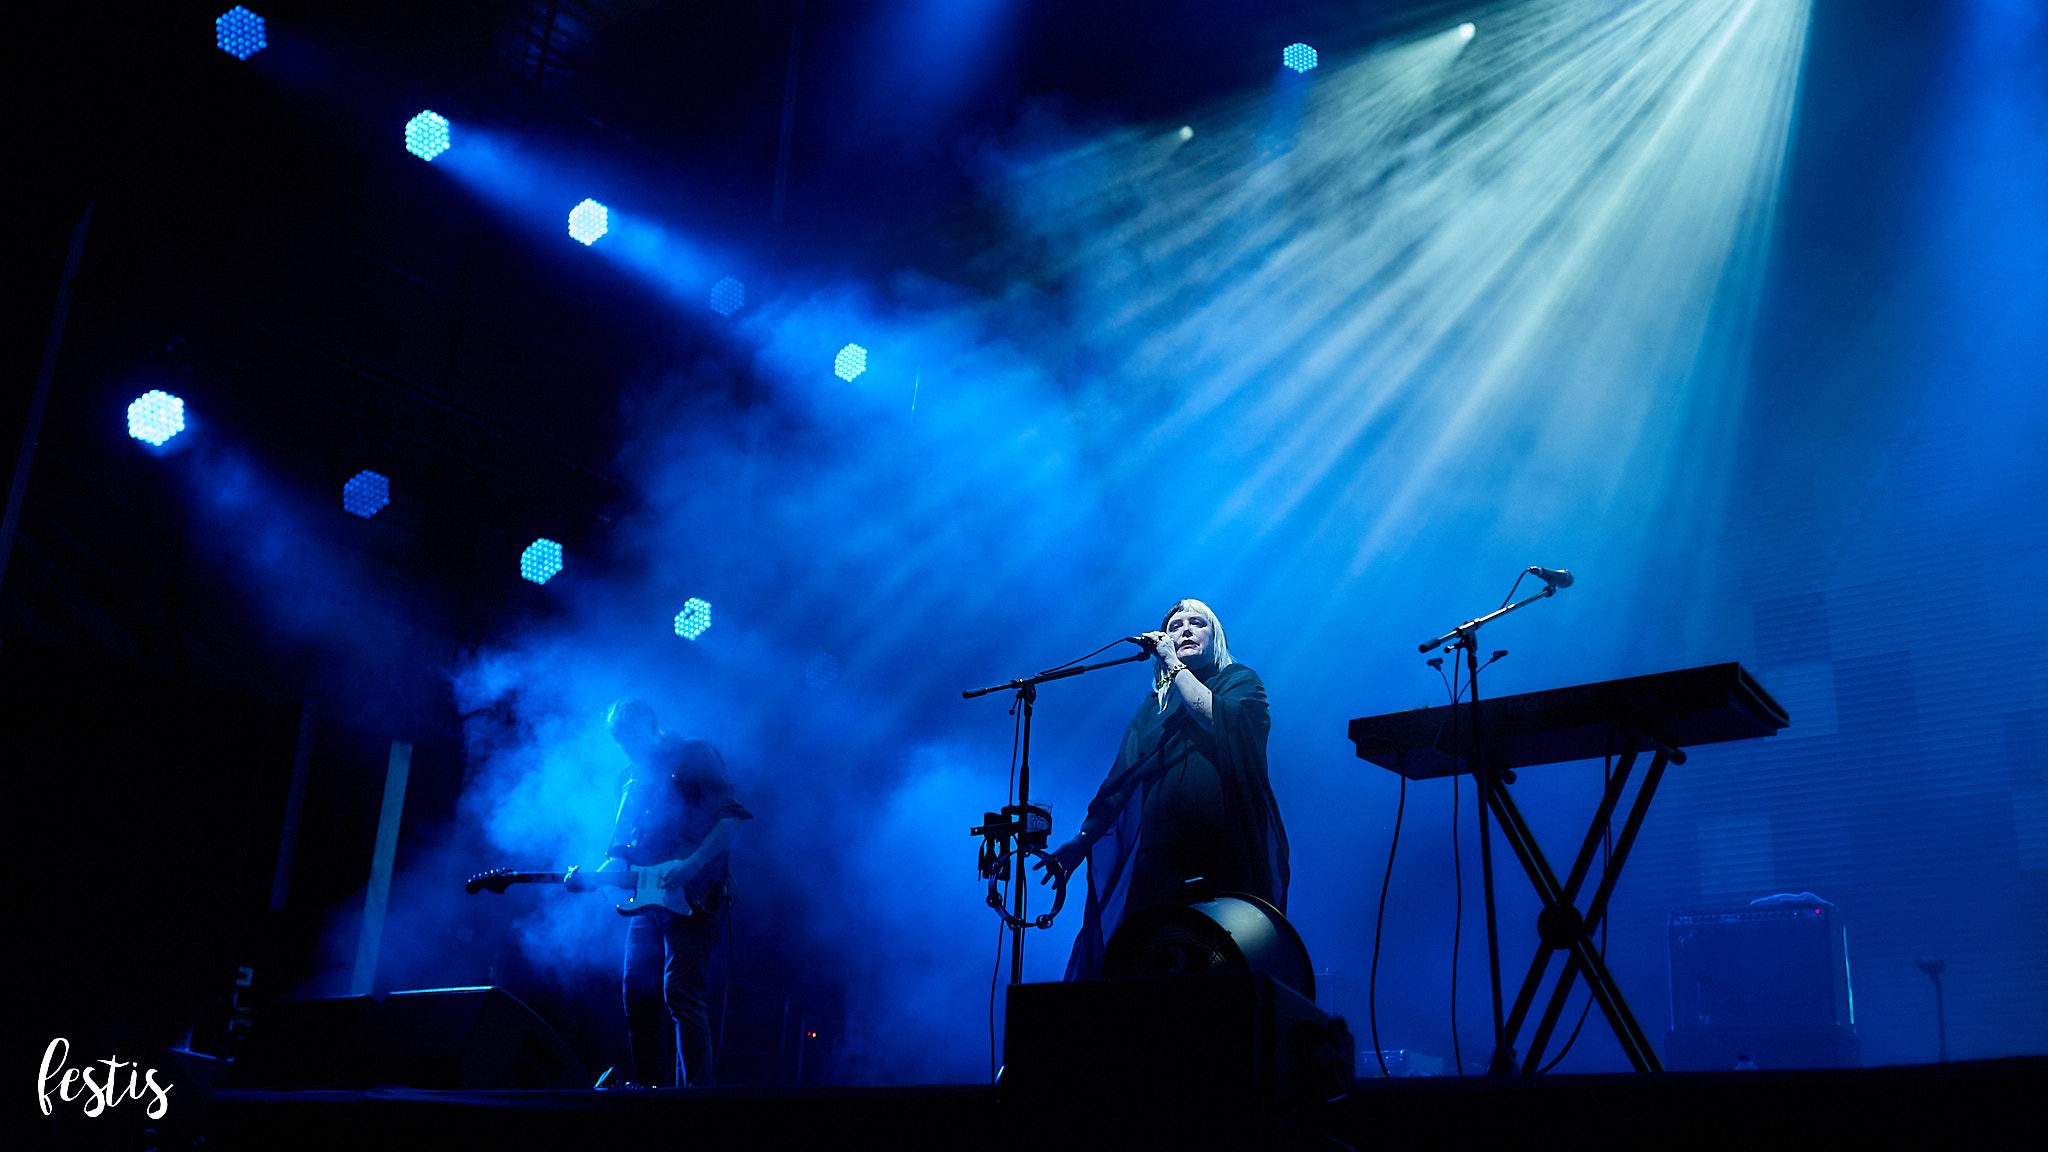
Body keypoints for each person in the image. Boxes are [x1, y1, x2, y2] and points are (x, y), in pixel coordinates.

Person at [1040, 599, 1289, 980]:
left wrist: (1174, 665)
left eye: (1196, 623)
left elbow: (1216, 719)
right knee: (1152, 959)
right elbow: (1119, 781)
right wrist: (1080, 842)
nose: (1185, 630)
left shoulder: (1241, 681)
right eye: (1175, 626)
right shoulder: (1155, 708)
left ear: (1215, 636)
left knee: (1217, 962)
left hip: (1221, 849)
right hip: (1159, 858)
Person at [569, 697, 750, 1087]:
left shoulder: (695, 755)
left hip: (696, 894)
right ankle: (652, 1093)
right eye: (618, 740)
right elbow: (620, 853)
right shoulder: (629, 778)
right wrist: (592, 877)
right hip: (647, 899)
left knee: (681, 992)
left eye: (629, 737)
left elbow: (730, 819)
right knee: (636, 991)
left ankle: (693, 1097)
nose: (625, 747)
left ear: (651, 724)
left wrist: (691, 866)